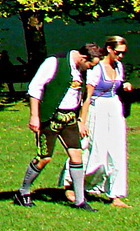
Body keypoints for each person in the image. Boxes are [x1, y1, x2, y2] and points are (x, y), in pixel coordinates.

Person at [13, 43, 102, 211]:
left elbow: (82, 95)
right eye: (90, 65)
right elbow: (35, 88)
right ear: (83, 58)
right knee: (44, 157)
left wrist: (80, 119)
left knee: (77, 156)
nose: (90, 69)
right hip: (50, 117)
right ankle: (22, 192)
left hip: (69, 119)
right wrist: (34, 116)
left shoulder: (81, 70)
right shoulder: (54, 62)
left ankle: (80, 200)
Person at [74, 35, 132, 207]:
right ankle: (74, 184)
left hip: (114, 106)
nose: (120, 56)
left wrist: (125, 86)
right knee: (94, 149)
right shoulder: (97, 68)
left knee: (117, 150)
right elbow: (87, 96)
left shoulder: (119, 66)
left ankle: (115, 194)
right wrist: (81, 121)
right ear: (109, 49)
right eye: (118, 52)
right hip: (96, 107)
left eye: (123, 53)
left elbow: (115, 88)